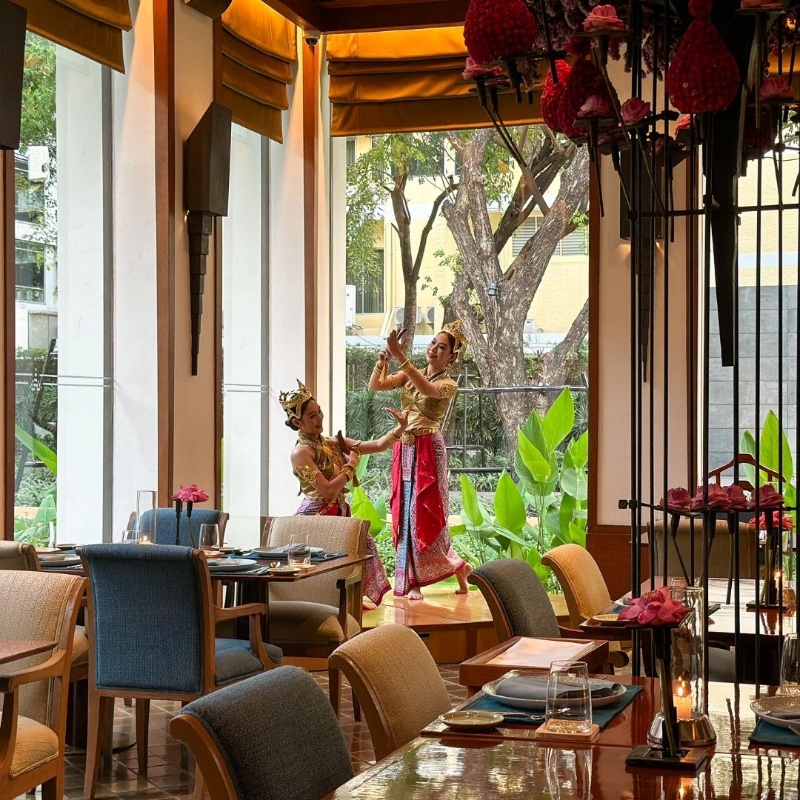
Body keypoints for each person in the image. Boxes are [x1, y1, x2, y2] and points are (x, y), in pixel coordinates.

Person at [279, 380, 407, 607]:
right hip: (317, 515)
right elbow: (328, 490)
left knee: (360, 547)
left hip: (337, 511)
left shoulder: (331, 443)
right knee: (331, 560)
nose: (319, 418)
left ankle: (352, 599)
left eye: (319, 412)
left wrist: (400, 429)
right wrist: (351, 467)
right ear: (298, 422)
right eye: (312, 416)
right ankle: (336, 602)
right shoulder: (301, 453)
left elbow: (377, 445)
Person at [368, 320, 472, 600]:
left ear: (452, 357)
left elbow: (426, 390)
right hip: (405, 445)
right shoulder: (410, 374)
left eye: (442, 347)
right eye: (433, 343)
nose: (434, 349)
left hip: (428, 448)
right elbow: (376, 385)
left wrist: (400, 356)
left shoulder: (448, 384)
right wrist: (383, 361)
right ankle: (456, 567)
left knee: (423, 513)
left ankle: (419, 581)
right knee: (404, 511)